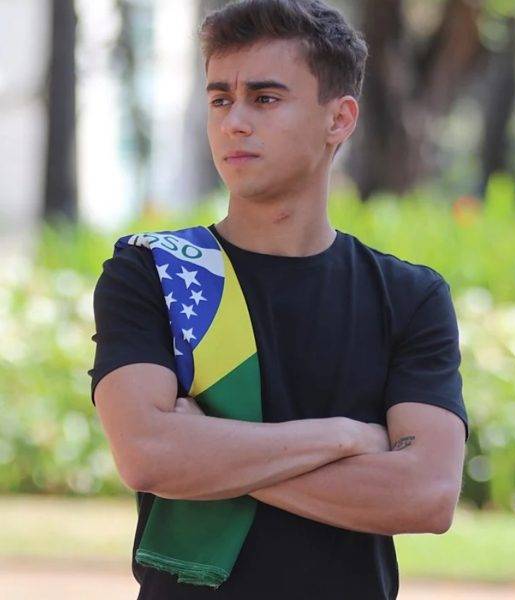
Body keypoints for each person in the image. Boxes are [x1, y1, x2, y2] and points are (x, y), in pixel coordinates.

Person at [88, 1, 469, 598]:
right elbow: (148, 456)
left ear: (338, 119)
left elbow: (426, 495)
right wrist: (345, 438)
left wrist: (208, 455)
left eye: (264, 99)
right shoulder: (151, 273)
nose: (234, 122)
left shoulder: (409, 296)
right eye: (220, 100)